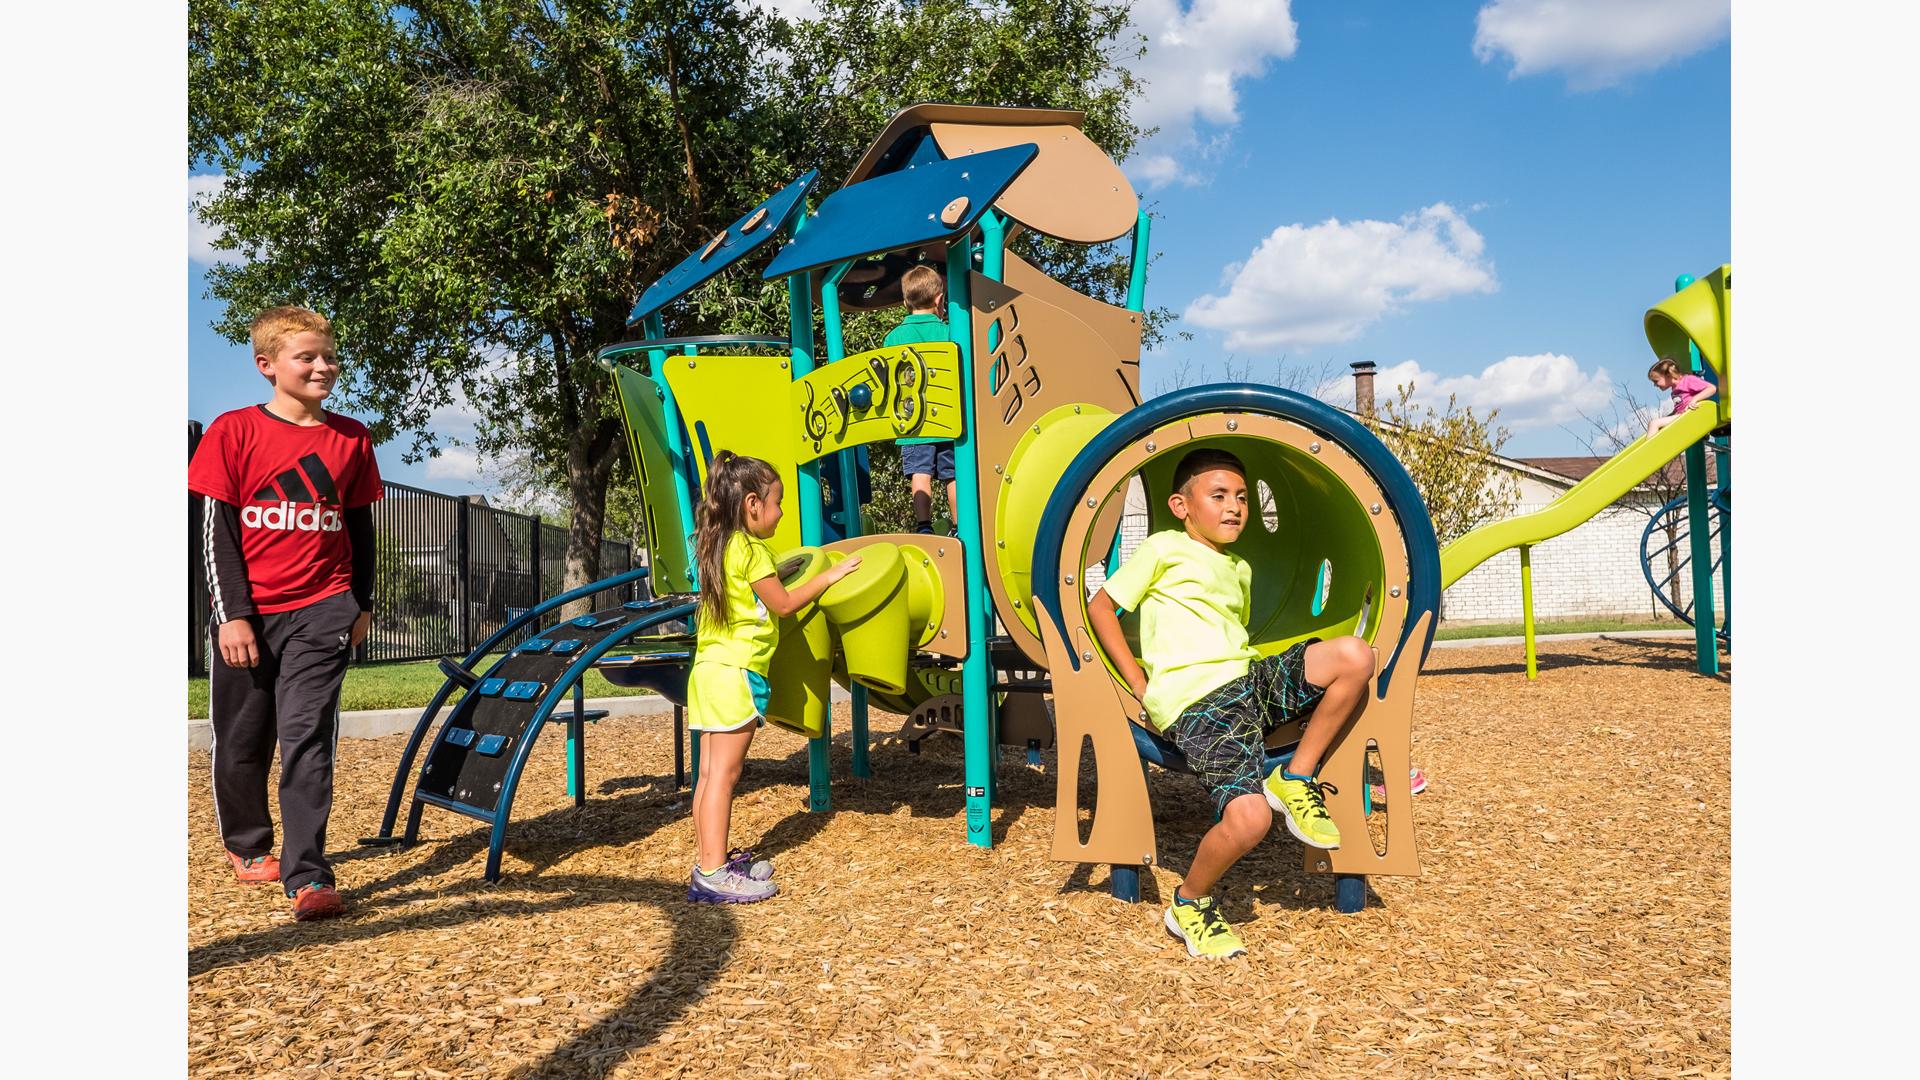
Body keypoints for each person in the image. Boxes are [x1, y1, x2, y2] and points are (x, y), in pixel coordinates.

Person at [1087, 449, 1375, 959]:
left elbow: (1231, 636)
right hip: (1197, 704)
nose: (1235, 507)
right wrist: (1137, 681)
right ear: (1181, 505)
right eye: (1218, 496)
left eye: (1242, 497)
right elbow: (1101, 606)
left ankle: (1296, 776)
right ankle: (1190, 903)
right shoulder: (1163, 548)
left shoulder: (1239, 567)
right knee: (1250, 820)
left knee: (1355, 656)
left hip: (1247, 682)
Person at [188, 306, 383, 922]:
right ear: (267, 365)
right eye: (308, 357)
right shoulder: (233, 431)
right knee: (243, 739)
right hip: (250, 614)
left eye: (329, 355)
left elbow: (360, 528)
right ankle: (247, 845)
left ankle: (309, 876)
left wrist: (362, 604)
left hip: (324, 609)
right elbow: (215, 533)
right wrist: (232, 615)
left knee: (307, 739)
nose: (323, 366)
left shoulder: (352, 438)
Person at [686, 451, 862, 903]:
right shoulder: (753, 548)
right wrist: (831, 575)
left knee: (708, 775)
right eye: (777, 502)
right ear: (751, 505)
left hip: (708, 671)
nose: (781, 512)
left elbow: (757, 590)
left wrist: (778, 575)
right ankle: (713, 873)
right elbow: (783, 604)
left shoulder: (718, 544)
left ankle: (711, 859)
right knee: (724, 776)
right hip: (735, 675)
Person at [886, 264, 958, 535]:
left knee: (920, 473)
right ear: (939, 300)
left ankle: (924, 526)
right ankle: (959, 526)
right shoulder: (950, 333)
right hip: (949, 417)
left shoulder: (893, 338)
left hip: (913, 420)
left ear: (906, 301)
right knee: (953, 475)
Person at [1645, 357, 1717, 436]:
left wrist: (1694, 400)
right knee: (1659, 425)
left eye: (1656, 381)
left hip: (1689, 416)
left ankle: (1652, 448)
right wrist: (1671, 414)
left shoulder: (1688, 380)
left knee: (1654, 424)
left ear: (1668, 375)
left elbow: (1712, 388)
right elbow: (1679, 407)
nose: (1655, 385)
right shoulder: (1674, 389)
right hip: (1682, 417)